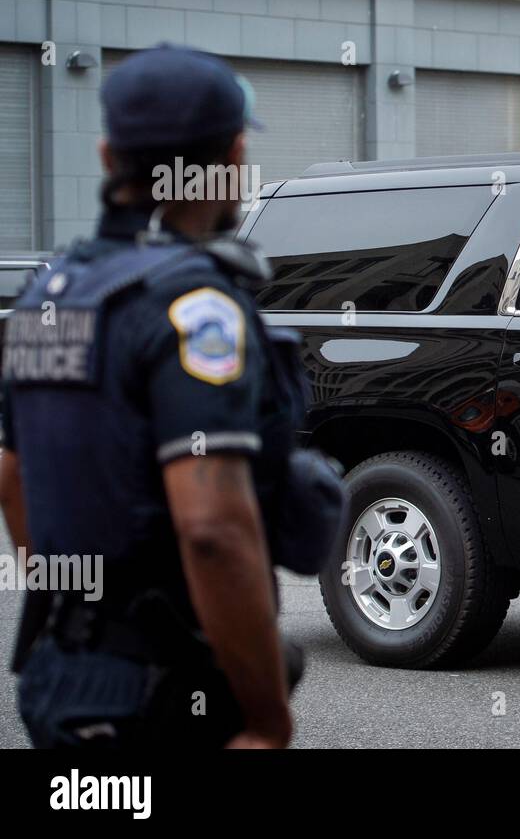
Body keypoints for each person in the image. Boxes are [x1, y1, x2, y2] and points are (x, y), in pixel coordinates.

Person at [0, 44, 339, 749]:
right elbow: (213, 528)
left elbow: (12, 477)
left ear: (105, 157)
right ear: (234, 157)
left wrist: (82, 606)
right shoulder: (196, 308)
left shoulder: (49, 294)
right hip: (159, 692)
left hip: (62, 676)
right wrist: (268, 719)